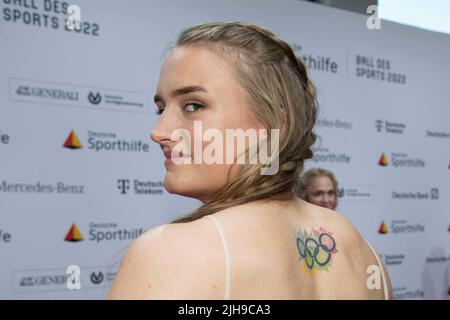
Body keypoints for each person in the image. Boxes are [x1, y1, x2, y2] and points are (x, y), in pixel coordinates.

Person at [106, 21, 392, 300]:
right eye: (161, 109)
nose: (159, 132)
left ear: (274, 123)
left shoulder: (173, 253)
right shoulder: (362, 252)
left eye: (193, 106)